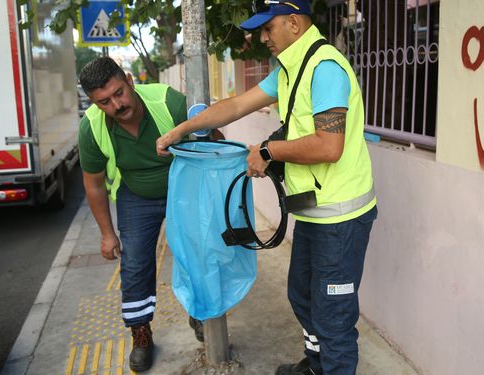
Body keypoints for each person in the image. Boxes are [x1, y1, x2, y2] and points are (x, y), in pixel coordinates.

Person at [155, 1, 378, 374]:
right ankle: (316, 364)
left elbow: (329, 146)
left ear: (293, 23)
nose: (262, 38)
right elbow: (238, 104)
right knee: (303, 298)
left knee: (334, 318)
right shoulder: (292, 69)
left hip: (341, 219)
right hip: (314, 211)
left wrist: (267, 151)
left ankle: (331, 364)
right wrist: (182, 130)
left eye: (267, 28)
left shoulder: (325, 69)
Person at [78, 57, 206, 372]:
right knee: (135, 264)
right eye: (104, 102)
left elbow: (208, 147)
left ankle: (199, 311)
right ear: (94, 103)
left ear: (130, 81)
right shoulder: (92, 127)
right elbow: (93, 184)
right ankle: (141, 333)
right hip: (135, 195)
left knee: (196, 253)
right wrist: (107, 235)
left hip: (182, 188)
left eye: (119, 93)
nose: (116, 105)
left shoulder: (168, 102)